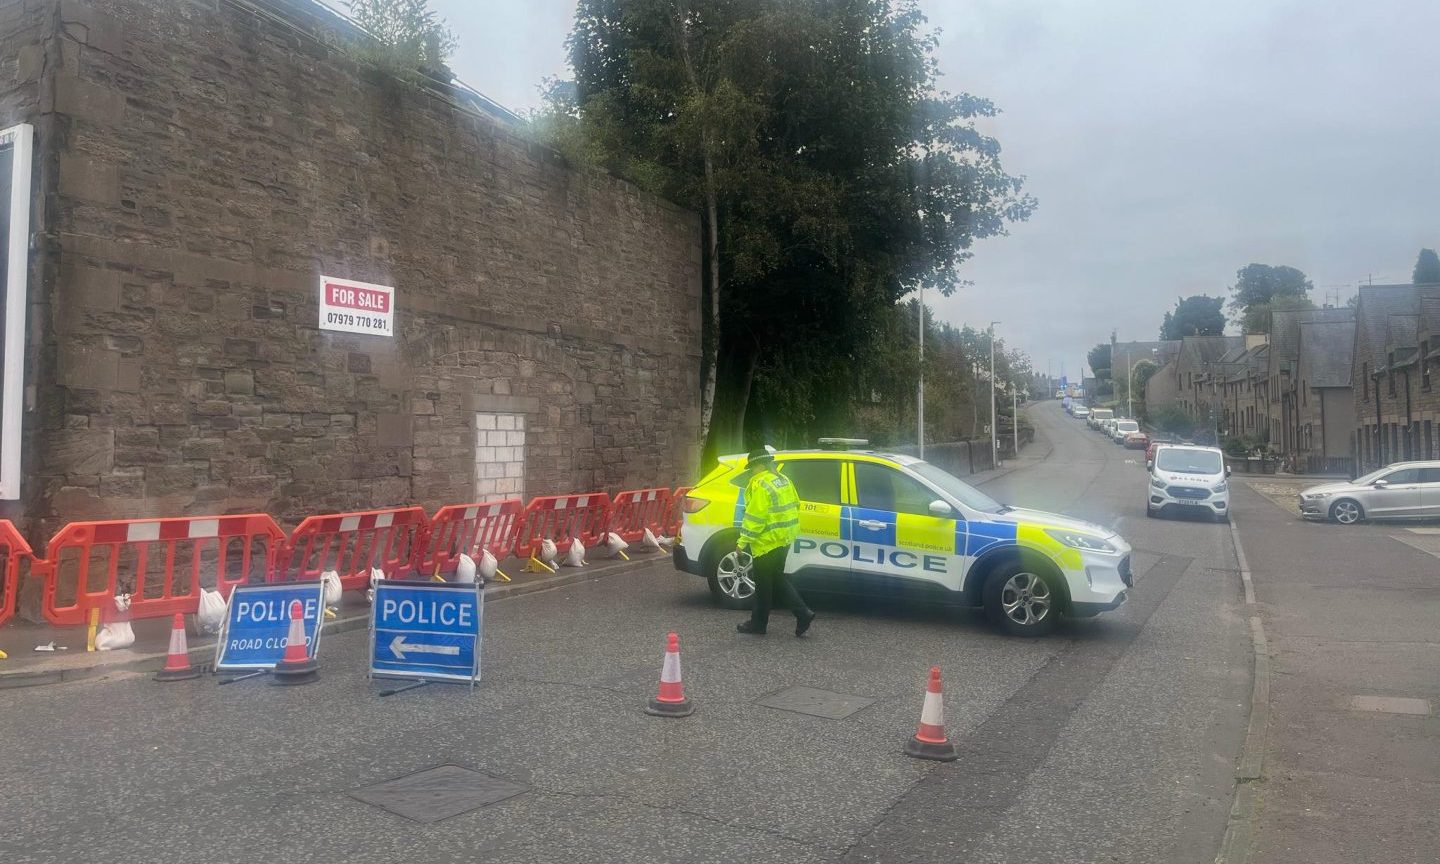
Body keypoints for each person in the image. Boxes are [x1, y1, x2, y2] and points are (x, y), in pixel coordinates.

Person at [735, 446, 815, 637]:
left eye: (752, 467)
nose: (751, 472)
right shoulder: (783, 480)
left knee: (764, 585)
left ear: (760, 465)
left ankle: (760, 624)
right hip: (784, 539)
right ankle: (801, 613)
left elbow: (755, 517)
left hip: (766, 542)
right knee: (776, 579)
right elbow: (795, 504)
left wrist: (742, 542)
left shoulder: (759, 484)